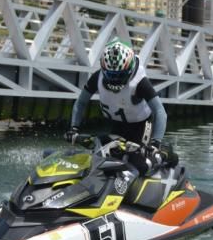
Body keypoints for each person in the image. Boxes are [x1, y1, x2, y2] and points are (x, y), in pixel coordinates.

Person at [66, 38, 172, 174]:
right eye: (111, 75)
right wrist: (73, 128)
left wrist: (155, 142)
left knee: (138, 166)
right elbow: (81, 103)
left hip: (142, 126)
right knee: (101, 157)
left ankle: (164, 155)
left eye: (120, 75)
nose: (115, 80)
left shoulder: (140, 82)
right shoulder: (96, 78)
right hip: (117, 125)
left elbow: (159, 111)